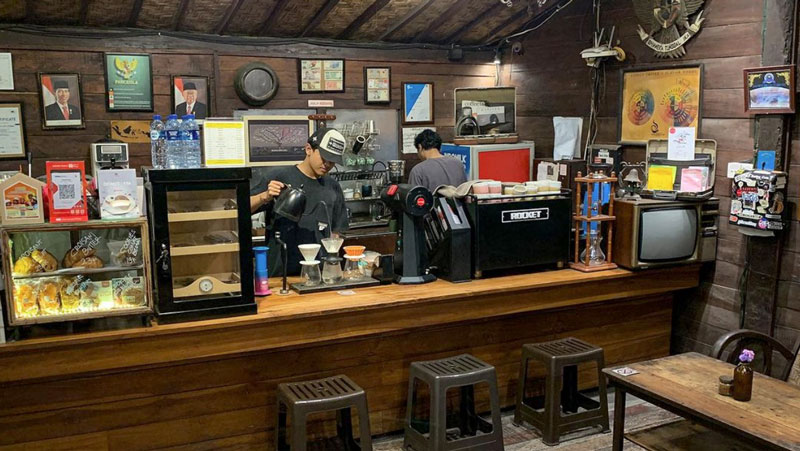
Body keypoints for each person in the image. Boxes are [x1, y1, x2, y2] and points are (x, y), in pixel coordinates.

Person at [250, 127, 349, 276]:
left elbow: (337, 230)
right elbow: (239, 209)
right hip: (280, 272)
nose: (327, 164)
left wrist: (332, 264)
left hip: (318, 272)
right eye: (324, 158)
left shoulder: (332, 186)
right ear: (308, 149)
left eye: (332, 161)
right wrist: (264, 196)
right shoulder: (280, 176)